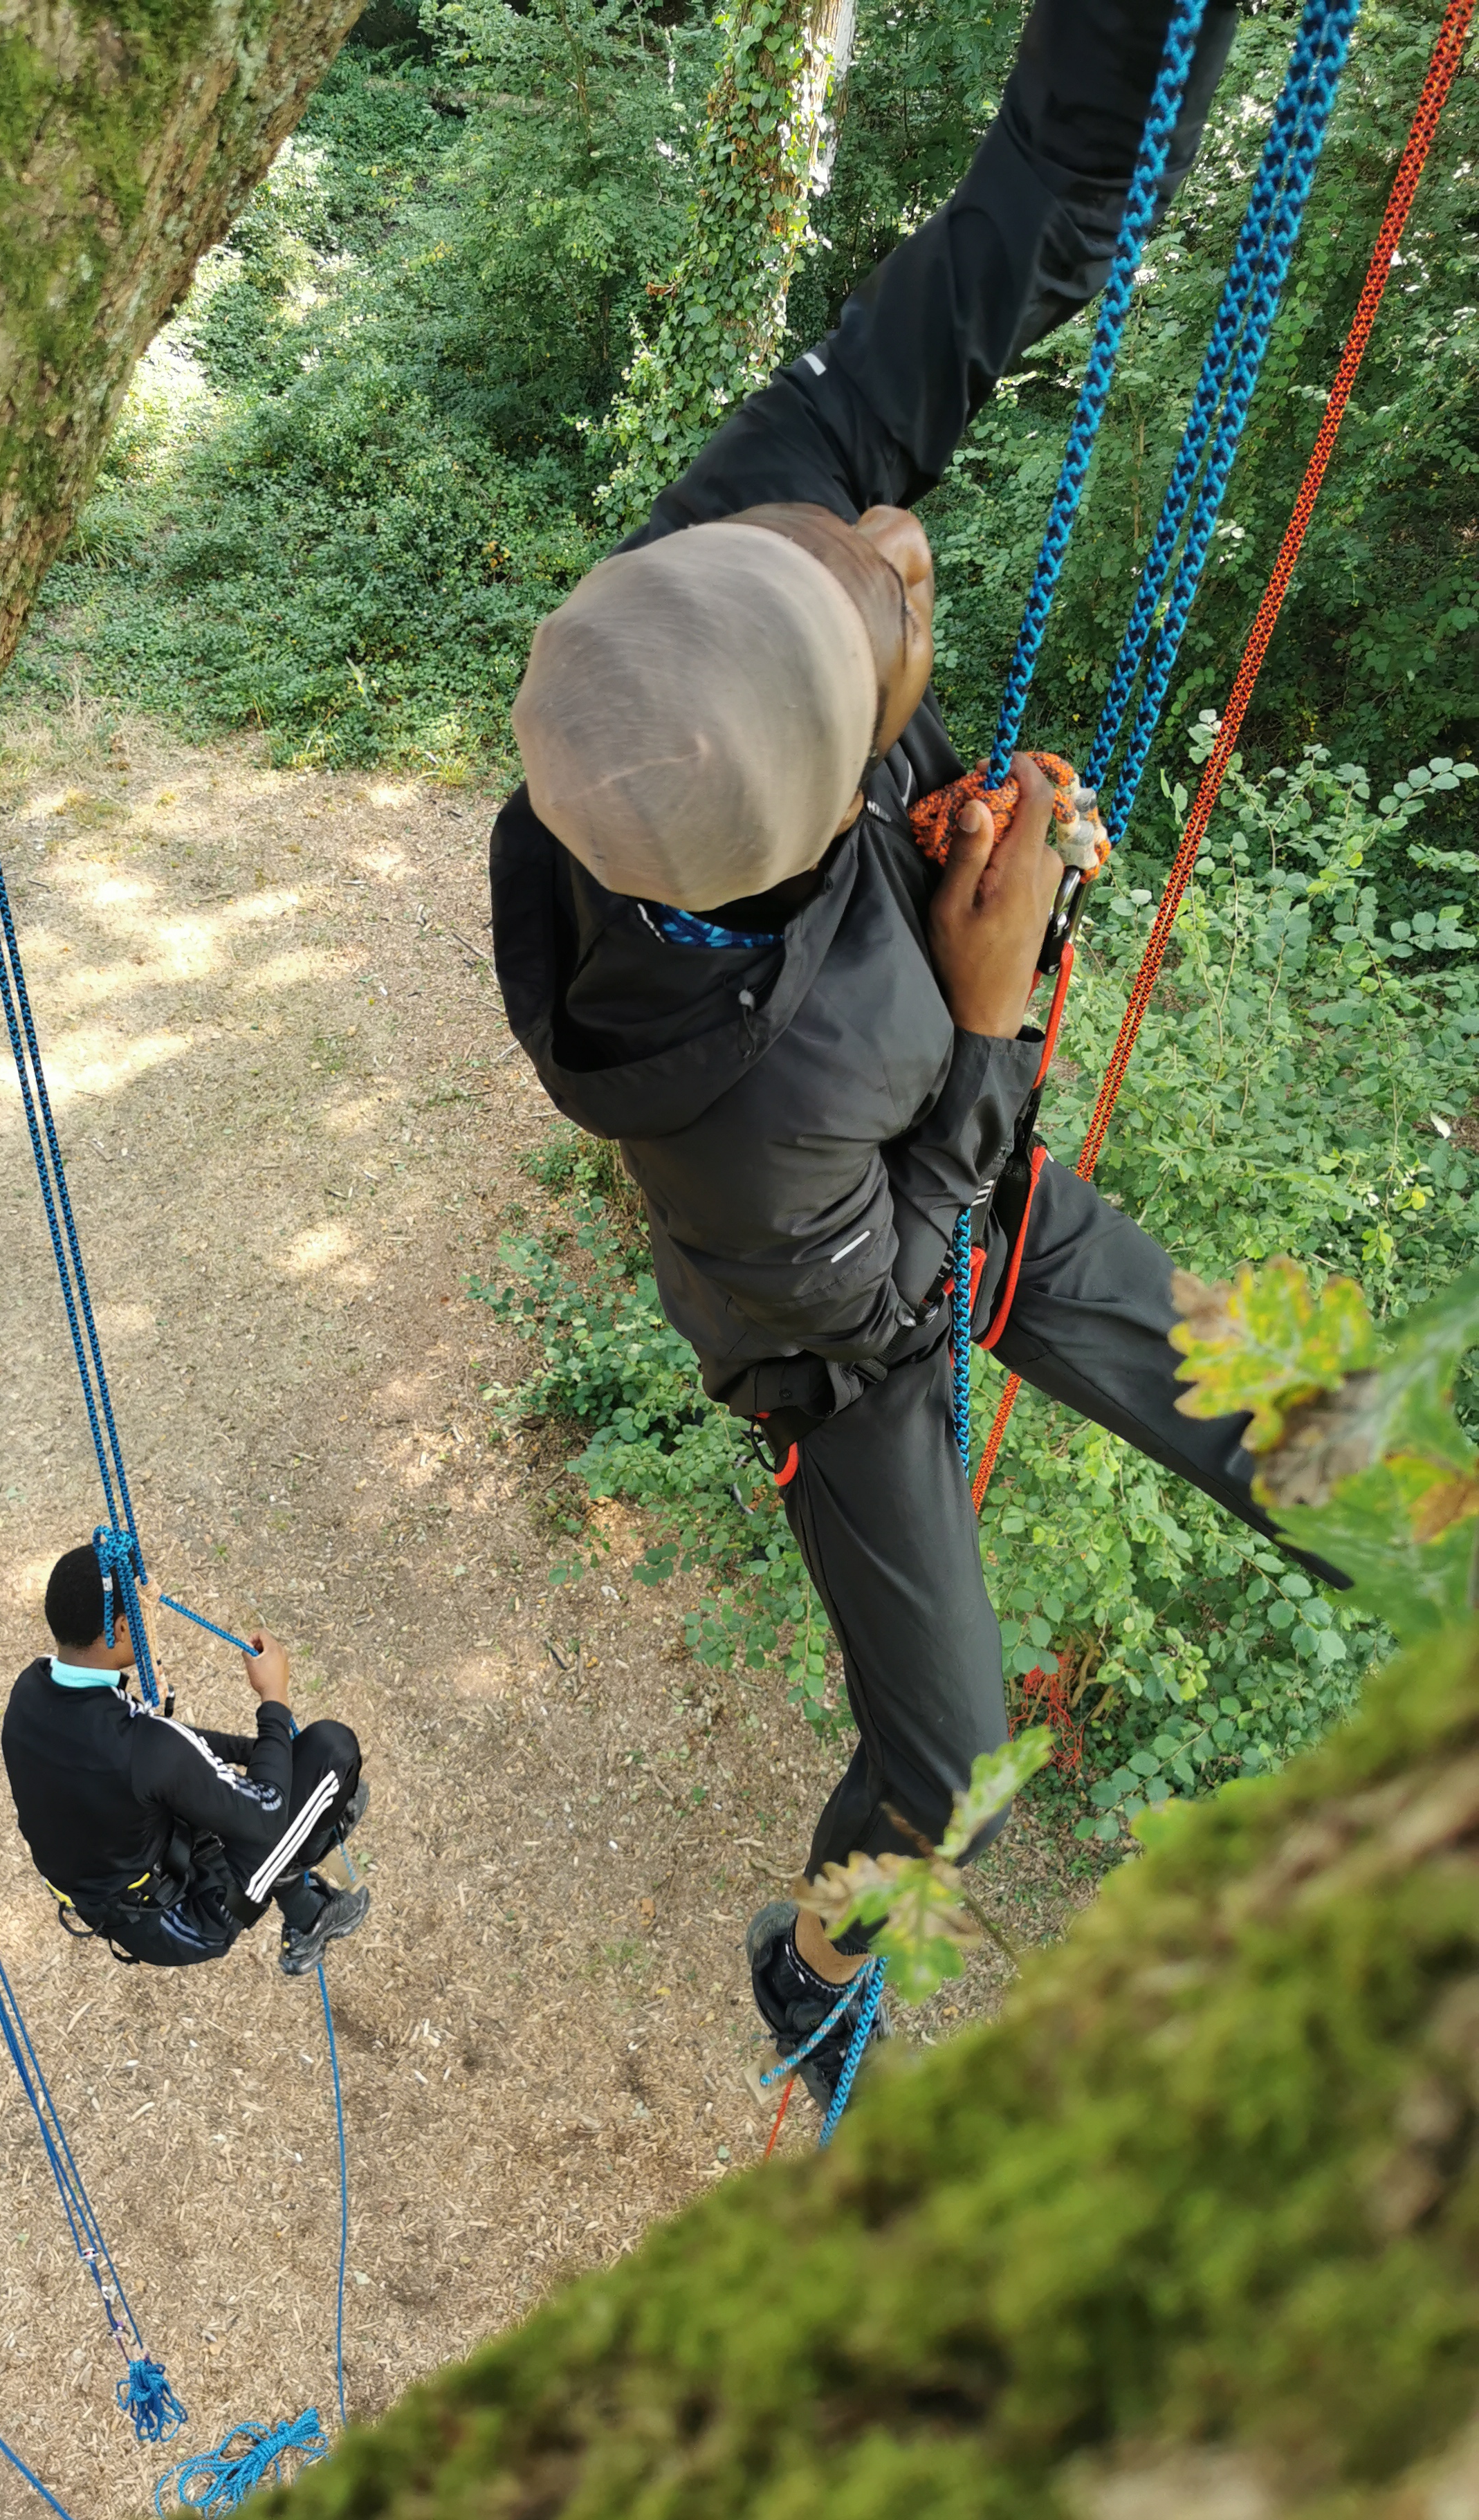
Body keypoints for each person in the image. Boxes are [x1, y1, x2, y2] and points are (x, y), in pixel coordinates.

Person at [490, 0, 1324, 2109]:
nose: (887, 538)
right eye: (892, 610)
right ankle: (821, 1964)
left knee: (1278, 1405)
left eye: (836, 550)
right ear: (833, 767)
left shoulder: (704, 591)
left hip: (935, 1127)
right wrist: (985, 1002)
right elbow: (891, 1289)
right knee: (951, 1745)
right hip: (841, 1318)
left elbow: (1030, 216)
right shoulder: (721, 1110)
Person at [1, 1546, 370, 1974]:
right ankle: (309, 1911)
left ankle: (302, 1889)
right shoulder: (149, 1748)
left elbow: (166, 1753)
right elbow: (266, 1811)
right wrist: (274, 1698)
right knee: (332, 1753)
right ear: (121, 1629)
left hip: (123, 1882)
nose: (148, 1620)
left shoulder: (31, 1689)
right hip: (188, 1920)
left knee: (277, 1779)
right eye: (141, 1614)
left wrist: (263, 1752)